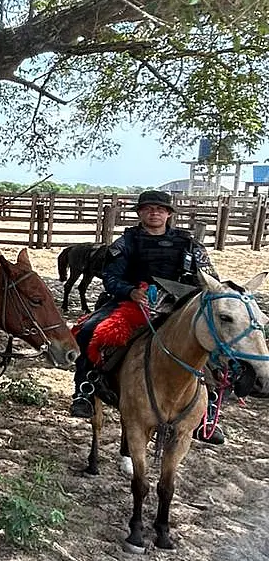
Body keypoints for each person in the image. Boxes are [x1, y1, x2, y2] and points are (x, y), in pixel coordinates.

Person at [68, 190, 224, 444]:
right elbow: (110, 278)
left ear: (169, 214)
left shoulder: (190, 245)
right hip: (130, 301)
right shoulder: (125, 243)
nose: (154, 213)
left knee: (216, 343)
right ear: (140, 213)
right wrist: (130, 291)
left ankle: (209, 414)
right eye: (148, 208)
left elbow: (210, 279)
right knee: (88, 330)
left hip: (179, 307)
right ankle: (84, 391)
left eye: (160, 209)